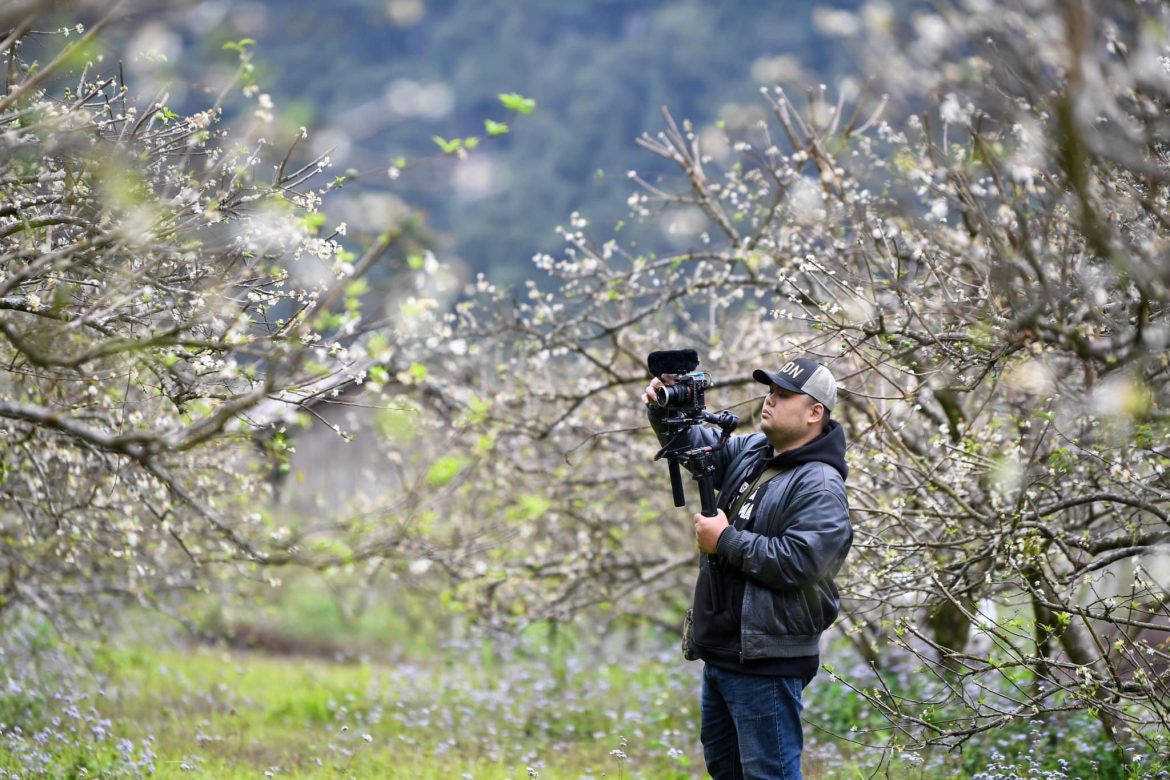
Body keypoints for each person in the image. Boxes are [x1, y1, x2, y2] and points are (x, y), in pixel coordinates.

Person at [642, 357, 852, 780]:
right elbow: (694, 448)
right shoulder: (755, 451)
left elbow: (803, 563)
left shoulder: (820, 483)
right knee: (727, 772)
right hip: (724, 652)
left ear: (815, 413)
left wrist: (725, 541)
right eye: (770, 391)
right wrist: (665, 407)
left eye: (783, 395)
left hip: (767, 659)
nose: (770, 400)